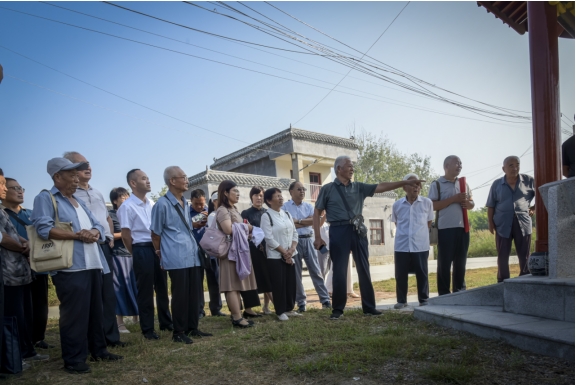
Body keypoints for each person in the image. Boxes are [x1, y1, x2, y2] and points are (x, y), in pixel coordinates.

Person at [31, 158, 122, 374]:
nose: (75, 179)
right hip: (70, 266)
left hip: (93, 263)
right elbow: (44, 228)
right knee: (75, 315)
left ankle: (98, 350)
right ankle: (73, 358)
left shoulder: (77, 201)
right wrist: (78, 235)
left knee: (95, 311)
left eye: (76, 174)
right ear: (57, 177)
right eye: (71, 175)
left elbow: (98, 223)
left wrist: (96, 232)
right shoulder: (46, 198)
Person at [313, 155, 424, 320]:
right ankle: (337, 309)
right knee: (339, 271)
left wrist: (403, 183)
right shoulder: (327, 189)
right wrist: (317, 237)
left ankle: (369, 307)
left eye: (352, 167)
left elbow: (381, 186)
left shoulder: (359, 187)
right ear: (339, 169)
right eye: (349, 166)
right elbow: (317, 212)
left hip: (358, 230)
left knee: (364, 269)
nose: (352, 169)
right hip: (338, 231)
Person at [63, 151, 126, 349]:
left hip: (104, 247)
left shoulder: (97, 192)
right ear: (69, 170)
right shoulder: (69, 195)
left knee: (108, 293)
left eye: (88, 164)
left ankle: (111, 338)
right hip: (83, 248)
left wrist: (109, 236)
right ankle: (93, 339)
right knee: (91, 296)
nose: (88, 168)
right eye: (81, 165)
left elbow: (106, 218)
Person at [151, 167, 212, 344]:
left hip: (192, 253)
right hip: (176, 255)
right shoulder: (161, 205)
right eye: (183, 177)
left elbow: (185, 227)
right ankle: (178, 331)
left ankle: (193, 327)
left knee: (194, 292)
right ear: (172, 181)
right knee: (180, 295)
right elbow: (155, 233)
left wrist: (198, 223)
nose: (187, 180)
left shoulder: (185, 202)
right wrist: (160, 253)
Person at [117, 169, 172, 340]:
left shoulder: (153, 203)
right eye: (143, 178)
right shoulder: (127, 206)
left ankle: (166, 322)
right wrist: (136, 253)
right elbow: (126, 235)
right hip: (140, 248)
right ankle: (148, 329)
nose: (148, 181)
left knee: (162, 287)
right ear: (133, 183)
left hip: (157, 247)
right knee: (145, 291)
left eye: (148, 178)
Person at [1, 178, 54, 350]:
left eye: (20, 188)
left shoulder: (31, 214)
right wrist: (22, 247)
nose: (19, 191)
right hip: (13, 269)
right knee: (20, 307)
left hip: (37, 265)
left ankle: (38, 337)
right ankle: (23, 343)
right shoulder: (3, 215)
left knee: (39, 304)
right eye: (13, 188)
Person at [428, 155, 474, 295]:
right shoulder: (437, 184)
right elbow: (433, 206)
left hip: (463, 228)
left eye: (461, 163)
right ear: (446, 166)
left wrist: (469, 204)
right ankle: (444, 293)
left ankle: (460, 291)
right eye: (456, 163)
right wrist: (454, 199)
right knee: (444, 263)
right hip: (445, 229)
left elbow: (471, 202)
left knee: (460, 262)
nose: (460, 165)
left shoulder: (463, 184)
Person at [214, 180, 258, 328]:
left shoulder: (233, 209)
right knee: (231, 286)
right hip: (230, 252)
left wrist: (245, 228)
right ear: (225, 193)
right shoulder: (222, 210)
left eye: (238, 191)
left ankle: (237, 316)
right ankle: (237, 318)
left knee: (236, 285)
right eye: (235, 191)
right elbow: (228, 229)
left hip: (238, 251)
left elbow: (237, 228)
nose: (238, 193)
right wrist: (247, 227)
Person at [283, 181, 331, 312]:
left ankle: (325, 299)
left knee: (316, 271)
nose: (302, 191)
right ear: (291, 192)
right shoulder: (285, 207)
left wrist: (297, 221)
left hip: (309, 240)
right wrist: (307, 221)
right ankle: (301, 303)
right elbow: (287, 224)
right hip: (294, 242)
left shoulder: (310, 206)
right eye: (299, 189)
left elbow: (317, 221)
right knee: (296, 274)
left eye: (303, 189)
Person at [486, 156, 535, 282]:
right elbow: (491, 205)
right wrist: (490, 223)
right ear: (504, 169)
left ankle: (525, 279)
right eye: (511, 165)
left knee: (524, 254)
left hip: (523, 223)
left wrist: (533, 208)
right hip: (502, 224)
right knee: (502, 255)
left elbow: (541, 196)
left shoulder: (529, 180)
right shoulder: (497, 184)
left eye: (517, 164)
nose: (515, 168)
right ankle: (502, 281)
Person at [391, 174, 434, 309]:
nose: (416, 187)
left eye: (418, 184)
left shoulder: (427, 203)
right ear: (404, 187)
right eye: (412, 184)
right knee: (400, 274)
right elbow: (397, 223)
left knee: (422, 272)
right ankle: (401, 300)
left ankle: (423, 298)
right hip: (402, 245)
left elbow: (428, 223)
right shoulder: (397, 205)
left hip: (420, 244)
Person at [260, 188, 299, 321]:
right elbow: (268, 238)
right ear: (269, 201)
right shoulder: (266, 216)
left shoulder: (287, 214)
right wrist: (284, 252)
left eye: (281, 195)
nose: (281, 198)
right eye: (277, 196)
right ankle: (280, 310)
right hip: (275, 256)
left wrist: (292, 249)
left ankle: (289, 308)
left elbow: (294, 233)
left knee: (290, 283)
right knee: (279, 284)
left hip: (290, 254)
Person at [189, 189, 225, 318]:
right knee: (197, 282)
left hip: (211, 250)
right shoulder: (187, 213)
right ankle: (199, 310)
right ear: (191, 201)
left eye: (201, 203)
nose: (199, 207)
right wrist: (196, 221)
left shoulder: (210, 211)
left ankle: (216, 308)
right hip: (195, 250)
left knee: (214, 279)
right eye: (196, 204)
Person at [108, 187, 139, 334]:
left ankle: (136, 317)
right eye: (122, 197)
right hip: (119, 255)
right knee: (119, 288)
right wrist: (125, 233)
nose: (126, 200)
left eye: (127, 197)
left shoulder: (132, 212)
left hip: (133, 254)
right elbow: (109, 235)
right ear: (115, 201)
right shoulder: (111, 215)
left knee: (135, 286)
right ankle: (120, 323)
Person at [241, 186, 274, 315]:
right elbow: (244, 230)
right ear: (251, 197)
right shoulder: (246, 213)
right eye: (256, 195)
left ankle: (266, 307)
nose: (259, 197)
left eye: (261, 195)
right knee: (263, 277)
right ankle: (279, 307)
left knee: (269, 277)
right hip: (254, 250)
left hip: (269, 248)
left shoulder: (268, 212)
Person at [319, 213, 359, 298]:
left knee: (348, 268)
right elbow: (319, 224)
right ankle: (328, 289)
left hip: (340, 245)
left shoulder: (331, 223)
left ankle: (349, 290)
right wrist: (326, 214)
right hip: (326, 249)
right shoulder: (322, 222)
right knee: (330, 269)